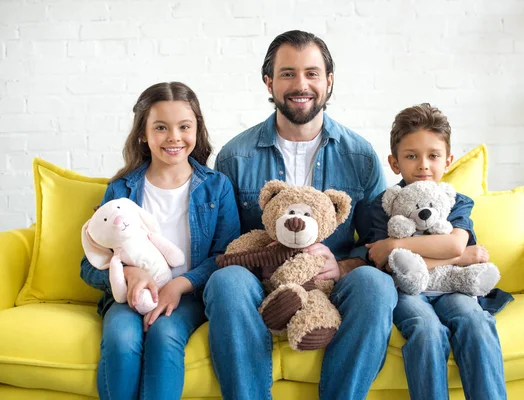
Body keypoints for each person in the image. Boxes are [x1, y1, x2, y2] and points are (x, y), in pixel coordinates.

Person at [204, 30, 398, 400]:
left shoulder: (360, 156)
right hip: (259, 282)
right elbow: (226, 245)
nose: (300, 84)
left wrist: (342, 266)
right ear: (269, 82)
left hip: (331, 283)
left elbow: (379, 241)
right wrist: (260, 265)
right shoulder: (235, 156)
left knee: (377, 286)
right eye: (288, 73)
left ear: (328, 81)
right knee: (226, 282)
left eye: (311, 73)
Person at [80, 82, 240, 400]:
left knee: (164, 335)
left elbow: (226, 256)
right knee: (121, 338)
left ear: (197, 130)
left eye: (184, 126)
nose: (174, 137)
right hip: (129, 298)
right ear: (143, 133)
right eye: (161, 127)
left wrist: (179, 286)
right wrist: (128, 274)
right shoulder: (121, 189)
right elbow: (88, 265)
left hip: (188, 297)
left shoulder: (217, 187)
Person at [364, 103, 512, 399]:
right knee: (427, 329)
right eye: (411, 156)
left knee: (475, 321)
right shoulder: (383, 205)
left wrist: (396, 244)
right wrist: (461, 256)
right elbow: (388, 265)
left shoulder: (456, 201)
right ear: (394, 163)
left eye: (433, 156)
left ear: (448, 161)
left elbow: (454, 244)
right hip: (408, 292)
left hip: (453, 287)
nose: (423, 165)